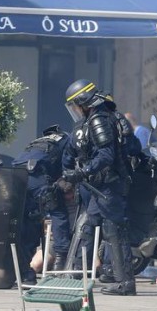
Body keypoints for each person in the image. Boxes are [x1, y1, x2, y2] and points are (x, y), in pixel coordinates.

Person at [62, 79, 136, 296]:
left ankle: (125, 283)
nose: (76, 110)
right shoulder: (99, 117)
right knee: (87, 226)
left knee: (114, 231)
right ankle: (74, 274)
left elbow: (106, 155)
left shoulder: (99, 120)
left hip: (109, 186)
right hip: (100, 186)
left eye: (76, 105)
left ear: (84, 101)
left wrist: (81, 172)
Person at [12, 125, 72, 284]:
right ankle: (60, 261)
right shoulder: (65, 141)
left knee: (26, 221)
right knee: (58, 212)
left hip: (15, 177)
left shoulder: (36, 142)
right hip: (37, 176)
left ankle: (25, 273)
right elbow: (68, 168)